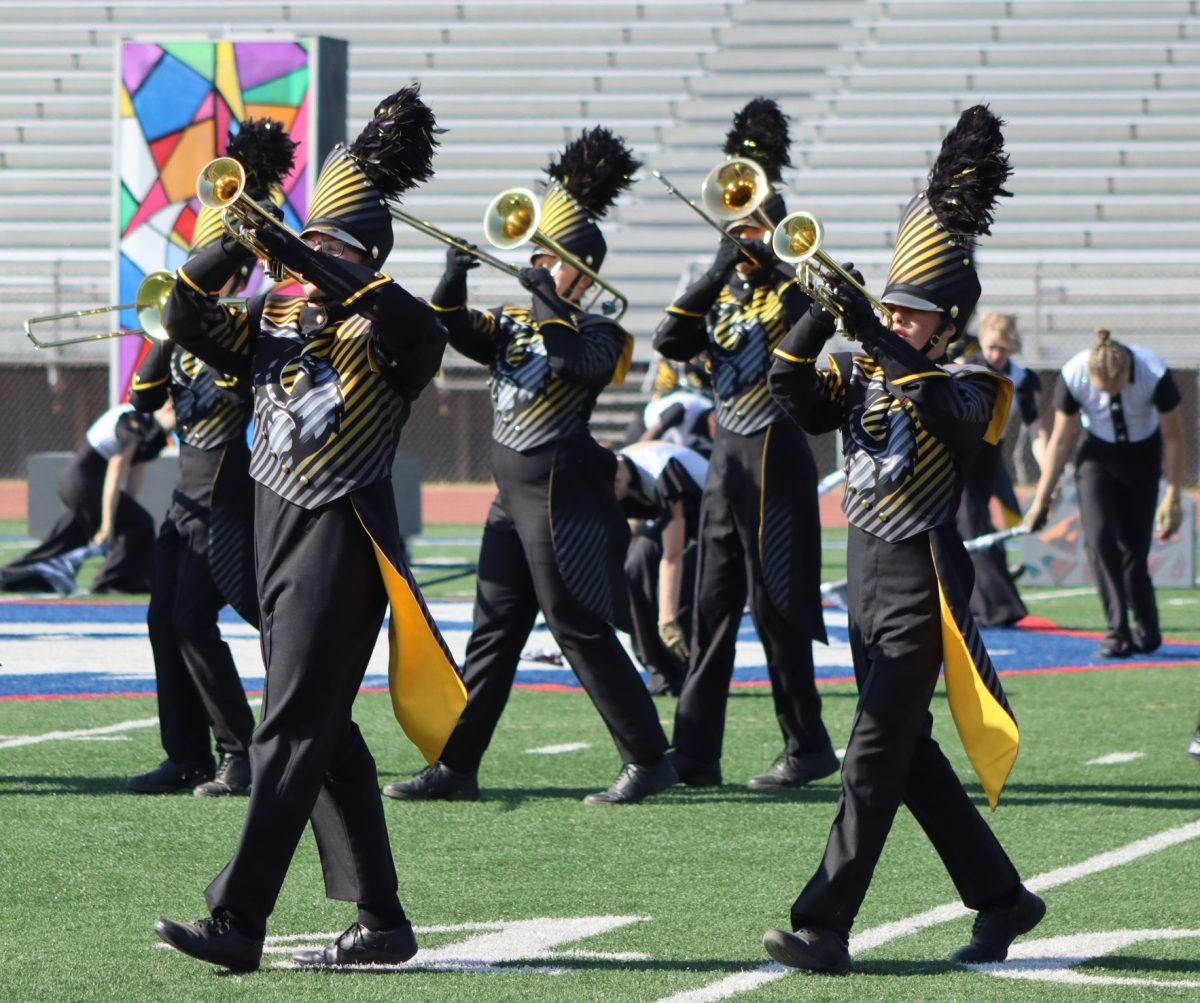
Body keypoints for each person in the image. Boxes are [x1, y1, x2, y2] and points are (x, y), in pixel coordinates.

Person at [153, 85, 467, 972]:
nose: (303, 260)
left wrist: (305, 249)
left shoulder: (393, 328)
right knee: (325, 737)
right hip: (272, 536)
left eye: (323, 246)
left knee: (286, 729)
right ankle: (382, 918)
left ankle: (238, 917)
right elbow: (181, 317)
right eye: (304, 243)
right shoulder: (275, 317)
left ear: (360, 254)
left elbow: (403, 318)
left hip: (343, 539)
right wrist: (238, 236)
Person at [763, 106, 1045, 974]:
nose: (897, 318)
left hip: (923, 581)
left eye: (915, 312)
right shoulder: (860, 373)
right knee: (908, 756)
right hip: (865, 582)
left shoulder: (972, 386)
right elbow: (789, 392)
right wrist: (819, 310)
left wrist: (878, 333)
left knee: (873, 753)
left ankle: (825, 925)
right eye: (892, 305)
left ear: (947, 325)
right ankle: (1003, 898)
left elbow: (946, 414)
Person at [384, 128, 677, 806]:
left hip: (560, 492)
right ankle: (456, 764)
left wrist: (546, 294)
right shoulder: (519, 320)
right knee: (493, 631)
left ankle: (647, 755)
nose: (536, 260)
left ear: (580, 267)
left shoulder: (604, 332)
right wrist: (451, 283)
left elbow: (572, 362)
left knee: (576, 627)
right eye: (538, 253)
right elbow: (454, 330)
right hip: (509, 498)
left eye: (551, 254)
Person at [652, 97, 835, 790]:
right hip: (727, 451)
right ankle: (696, 751)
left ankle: (807, 743)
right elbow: (671, 339)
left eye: (757, 223)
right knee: (711, 604)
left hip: (773, 449)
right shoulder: (723, 287)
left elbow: (794, 344)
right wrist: (717, 263)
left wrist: (780, 258)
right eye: (740, 223)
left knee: (776, 604)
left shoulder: (791, 291)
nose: (747, 234)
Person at [125, 119, 296, 797]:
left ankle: (242, 752)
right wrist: (170, 325)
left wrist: (199, 309)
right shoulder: (196, 322)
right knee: (162, 613)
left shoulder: (253, 316)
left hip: (229, 476)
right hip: (188, 482)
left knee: (198, 614)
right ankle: (186, 751)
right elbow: (144, 395)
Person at [1023, 326, 1184, 658]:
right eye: (1103, 390)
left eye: (1117, 388)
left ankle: (1147, 629)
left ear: (1129, 372)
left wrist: (1172, 495)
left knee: (1133, 550)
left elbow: (1173, 438)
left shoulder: (1153, 372)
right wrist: (1042, 498)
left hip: (1143, 458)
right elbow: (1062, 440)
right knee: (1100, 541)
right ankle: (1117, 632)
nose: (1111, 394)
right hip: (1097, 457)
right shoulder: (1074, 374)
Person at [1, 400, 174, 595]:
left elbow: (136, 468)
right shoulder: (132, 420)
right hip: (84, 480)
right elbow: (115, 470)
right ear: (168, 406)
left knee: (65, 540)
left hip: (84, 481)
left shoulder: (147, 424)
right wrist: (108, 523)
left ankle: (13, 575)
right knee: (139, 524)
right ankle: (112, 582)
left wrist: (128, 505)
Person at [955, 311, 1046, 626]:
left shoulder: (1022, 379)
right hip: (958, 452)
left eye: (1003, 349)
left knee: (977, 527)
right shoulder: (966, 369)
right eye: (992, 347)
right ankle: (979, 603)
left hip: (990, 456)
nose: (996, 355)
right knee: (966, 526)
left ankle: (997, 607)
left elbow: (1037, 430)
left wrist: (1048, 471)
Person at [613, 438, 709, 696]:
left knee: (688, 572)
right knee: (635, 564)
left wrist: (666, 619)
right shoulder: (618, 474)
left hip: (713, 520)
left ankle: (688, 668)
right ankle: (659, 672)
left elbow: (672, 556)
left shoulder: (662, 471)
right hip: (676, 523)